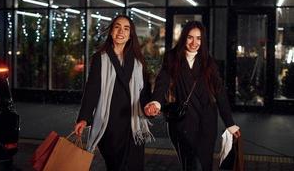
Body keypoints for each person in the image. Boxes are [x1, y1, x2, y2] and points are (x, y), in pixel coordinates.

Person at [144, 21, 241, 171]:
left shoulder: (209, 62)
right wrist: (155, 103)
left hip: (206, 122)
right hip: (182, 122)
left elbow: (220, 93)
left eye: (199, 38)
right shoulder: (172, 58)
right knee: (190, 165)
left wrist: (230, 124)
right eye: (190, 37)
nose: (194, 42)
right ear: (184, 38)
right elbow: (162, 82)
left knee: (204, 164)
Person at [74, 15, 153, 171]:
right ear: (111, 31)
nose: (121, 32)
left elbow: (144, 92)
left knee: (135, 167)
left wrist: (150, 108)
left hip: (133, 124)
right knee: (116, 166)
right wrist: (83, 118)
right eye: (117, 27)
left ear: (131, 34)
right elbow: (92, 90)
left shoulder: (138, 60)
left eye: (126, 28)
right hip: (110, 124)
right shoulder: (100, 58)